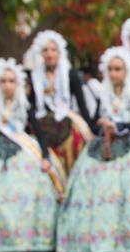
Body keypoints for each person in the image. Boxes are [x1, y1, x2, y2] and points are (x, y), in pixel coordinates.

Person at [57, 47, 130, 252]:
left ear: (126, 72)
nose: (114, 74)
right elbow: (95, 121)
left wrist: (119, 127)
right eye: (111, 69)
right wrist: (103, 126)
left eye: (118, 69)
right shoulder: (103, 94)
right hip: (104, 144)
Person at [0, 58, 62, 252]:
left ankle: (25, 239)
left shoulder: (24, 104)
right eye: (3, 81)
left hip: (24, 149)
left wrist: (45, 156)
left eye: (11, 81)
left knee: (25, 191)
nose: (7, 85)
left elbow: (39, 132)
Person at [25, 30, 94, 176]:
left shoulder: (70, 74)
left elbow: (82, 104)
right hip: (41, 119)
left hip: (66, 117)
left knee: (76, 141)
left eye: (53, 50)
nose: (49, 54)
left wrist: (91, 127)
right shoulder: (34, 76)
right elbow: (29, 106)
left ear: (59, 52)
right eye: (45, 50)